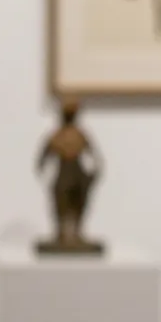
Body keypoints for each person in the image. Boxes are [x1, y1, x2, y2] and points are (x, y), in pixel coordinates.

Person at [35, 97, 103, 255]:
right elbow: (43, 157)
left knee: (78, 203)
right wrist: (43, 170)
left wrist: (94, 173)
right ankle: (61, 234)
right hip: (63, 170)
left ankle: (77, 233)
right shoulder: (57, 136)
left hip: (76, 170)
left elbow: (93, 156)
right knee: (61, 203)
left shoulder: (80, 135)